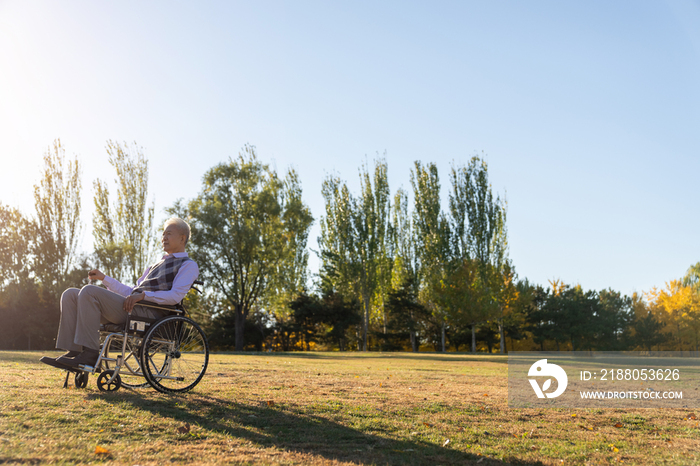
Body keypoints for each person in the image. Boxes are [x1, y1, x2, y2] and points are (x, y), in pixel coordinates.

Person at [41, 217, 199, 370]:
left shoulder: (188, 265)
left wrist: (144, 296)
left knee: (89, 292)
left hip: (150, 314)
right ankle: (75, 352)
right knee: (70, 295)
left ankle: (90, 354)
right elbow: (131, 291)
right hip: (132, 308)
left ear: (182, 238)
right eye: (163, 233)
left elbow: (175, 296)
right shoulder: (155, 265)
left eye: (169, 233)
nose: (164, 237)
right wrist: (104, 279)